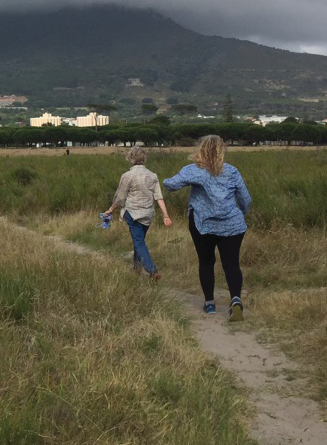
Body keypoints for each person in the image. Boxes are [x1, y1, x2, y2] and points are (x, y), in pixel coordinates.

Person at [163, 135, 251, 321]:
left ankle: (210, 303)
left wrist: (169, 182)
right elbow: (245, 198)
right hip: (232, 225)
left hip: (202, 225)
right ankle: (235, 300)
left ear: (201, 150)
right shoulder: (232, 171)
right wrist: (242, 211)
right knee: (232, 264)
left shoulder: (195, 171)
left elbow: (171, 185)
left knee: (206, 262)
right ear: (222, 151)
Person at [103, 146, 172, 282]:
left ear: (130, 158)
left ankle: (152, 270)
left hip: (133, 213)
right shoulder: (152, 175)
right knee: (139, 240)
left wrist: (110, 210)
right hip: (148, 214)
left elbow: (120, 197)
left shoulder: (127, 176)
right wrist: (165, 215)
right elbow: (159, 197)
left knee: (139, 242)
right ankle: (136, 268)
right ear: (144, 158)